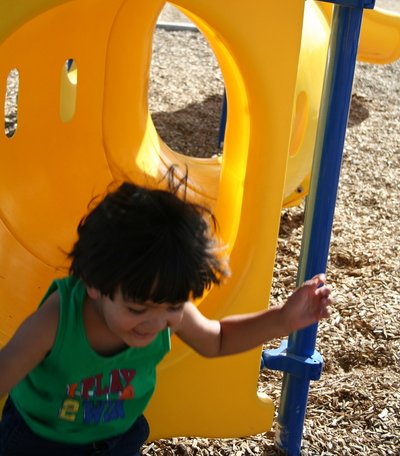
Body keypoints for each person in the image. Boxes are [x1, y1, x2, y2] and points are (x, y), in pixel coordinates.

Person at [0, 171, 332, 455]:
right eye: (136, 309)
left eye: (173, 307)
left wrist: (282, 319)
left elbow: (218, 340)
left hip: (115, 438)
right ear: (93, 284)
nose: (157, 323)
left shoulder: (162, 301)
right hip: (38, 439)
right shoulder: (57, 320)